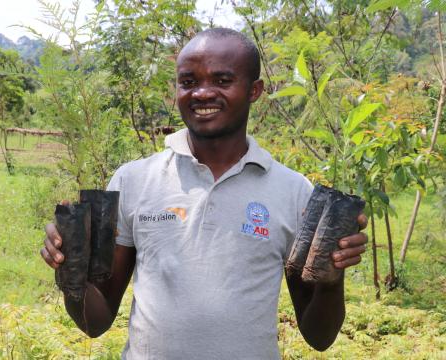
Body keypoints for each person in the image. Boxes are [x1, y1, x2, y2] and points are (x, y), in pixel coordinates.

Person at [41, 28, 368, 359]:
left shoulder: (294, 191)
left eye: (222, 81)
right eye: (188, 82)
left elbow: (319, 336)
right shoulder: (133, 180)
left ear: (254, 90)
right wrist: (71, 270)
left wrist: (331, 278)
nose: (202, 93)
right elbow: (95, 322)